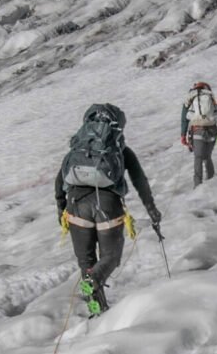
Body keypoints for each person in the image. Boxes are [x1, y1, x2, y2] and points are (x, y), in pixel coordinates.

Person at [55, 103, 162, 315]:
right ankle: (95, 282)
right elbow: (140, 182)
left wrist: (62, 209)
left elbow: (60, 179)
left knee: (86, 262)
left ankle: (97, 310)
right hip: (108, 206)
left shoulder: (78, 147)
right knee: (111, 257)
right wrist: (152, 211)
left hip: (76, 205)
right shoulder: (121, 150)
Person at [180, 82, 217, 187]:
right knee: (207, 157)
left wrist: (183, 135)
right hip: (212, 132)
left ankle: (197, 186)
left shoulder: (190, 98)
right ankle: (212, 183)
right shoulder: (211, 97)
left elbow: (184, 119)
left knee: (198, 157)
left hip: (197, 131)